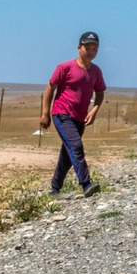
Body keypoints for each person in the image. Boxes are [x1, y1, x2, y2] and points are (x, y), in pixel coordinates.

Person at [39, 32, 107, 196]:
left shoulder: (96, 71)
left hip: (80, 118)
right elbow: (50, 88)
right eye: (87, 47)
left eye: (95, 48)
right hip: (62, 114)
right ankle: (86, 185)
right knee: (76, 146)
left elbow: (99, 93)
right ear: (79, 48)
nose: (91, 51)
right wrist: (45, 113)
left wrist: (94, 111)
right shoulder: (65, 67)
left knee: (68, 154)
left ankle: (55, 188)